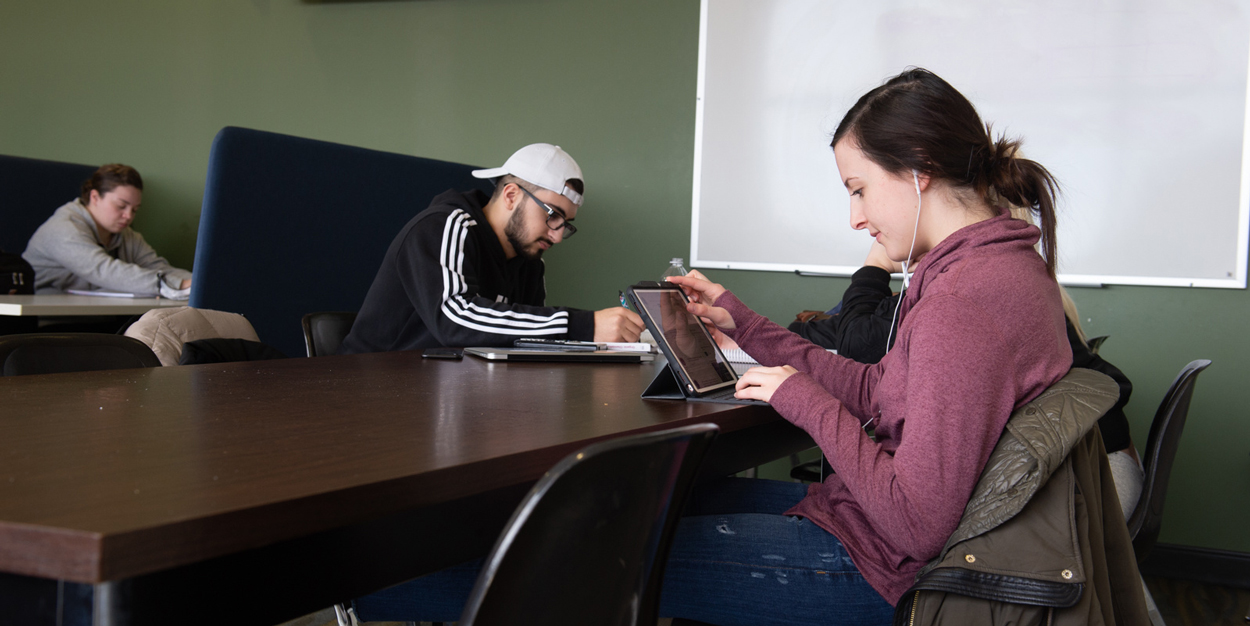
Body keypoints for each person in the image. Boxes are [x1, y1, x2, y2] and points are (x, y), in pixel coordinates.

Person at [659, 68, 1074, 625]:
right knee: (668, 506)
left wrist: (806, 401)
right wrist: (744, 323)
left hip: (889, 570)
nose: (856, 217)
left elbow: (917, 526)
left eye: (859, 189)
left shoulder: (964, 303)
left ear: (918, 167)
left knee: (619, 548)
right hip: (872, 531)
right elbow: (878, 388)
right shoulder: (995, 268)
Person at [790, 239, 1145, 517]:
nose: (862, 222)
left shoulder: (962, 293)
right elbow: (845, 335)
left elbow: (858, 342)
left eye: (861, 190)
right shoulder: (1016, 273)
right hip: (1088, 466)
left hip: (1084, 483)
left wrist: (875, 267)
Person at [338, 143, 642, 354]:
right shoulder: (445, 225)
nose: (557, 236)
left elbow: (529, 340)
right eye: (552, 215)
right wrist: (583, 326)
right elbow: (454, 319)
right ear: (511, 195)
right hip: (371, 390)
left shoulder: (531, 261)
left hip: (448, 393)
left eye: (566, 223)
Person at [23, 164, 192, 298]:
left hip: (98, 318)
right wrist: (179, 285)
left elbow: (159, 268)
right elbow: (105, 271)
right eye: (121, 206)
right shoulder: (62, 228)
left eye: (134, 210)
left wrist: (200, 283)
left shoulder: (127, 235)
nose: (128, 216)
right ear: (95, 197)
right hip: (49, 324)